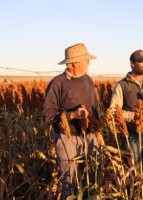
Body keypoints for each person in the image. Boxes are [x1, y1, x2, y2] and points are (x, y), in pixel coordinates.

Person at [42, 43, 101, 199]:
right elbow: (48, 115)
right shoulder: (58, 83)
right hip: (66, 137)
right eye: (86, 60)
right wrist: (72, 115)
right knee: (69, 180)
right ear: (75, 63)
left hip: (89, 135)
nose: (89, 63)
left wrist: (97, 126)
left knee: (94, 175)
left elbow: (95, 106)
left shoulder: (88, 80)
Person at [110, 49, 143, 172]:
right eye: (141, 61)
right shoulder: (121, 85)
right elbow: (113, 111)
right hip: (130, 136)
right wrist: (136, 116)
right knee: (132, 171)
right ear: (132, 64)